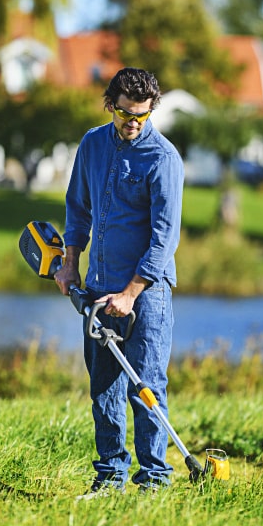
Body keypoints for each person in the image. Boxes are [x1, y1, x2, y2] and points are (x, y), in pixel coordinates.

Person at [54, 67, 184, 497]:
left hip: (147, 292)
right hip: (96, 286)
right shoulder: (92, 144)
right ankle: (110, 477)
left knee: (146, 383)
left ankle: (155, 480)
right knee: (104, 386)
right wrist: (70, 264)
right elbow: (78, 209)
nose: (132, 124)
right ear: (111, 105)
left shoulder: (163, 159)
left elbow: (165, 237)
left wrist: (130, 294)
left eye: (142, 117)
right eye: (126, 114)